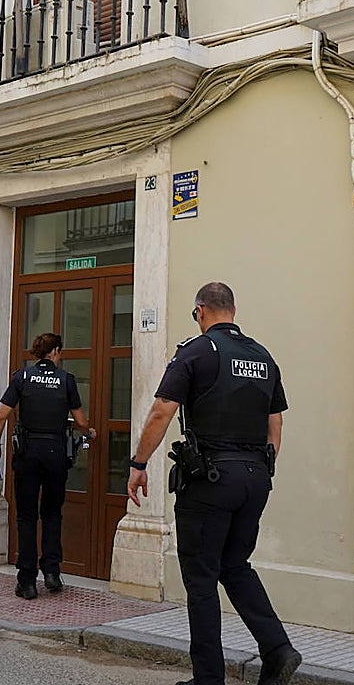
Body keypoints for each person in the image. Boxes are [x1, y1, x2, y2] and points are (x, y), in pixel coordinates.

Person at [127, 282, 301, 685]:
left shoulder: (197, 352)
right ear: (233, 310)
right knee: (235, 565)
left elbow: (161, 412)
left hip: (210, 481)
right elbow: (275, 423)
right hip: (255, 478)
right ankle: (277, 650)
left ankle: (208, 679)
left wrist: (138, 463)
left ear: (200, 311)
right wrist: (266, 467)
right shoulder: (263, 356)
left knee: (201, 578)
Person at [0, 332, 95, 600]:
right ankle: (51, 572)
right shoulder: (66, 380)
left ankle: (26, 581)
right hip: (55, 453)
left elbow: (1, 416)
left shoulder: (22, 377)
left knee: (26, 516)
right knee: (51, 513)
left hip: (27, 453)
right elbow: (80, 421)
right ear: (56, 351)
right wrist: (89, 432)